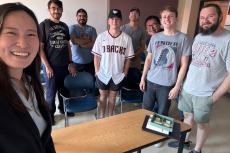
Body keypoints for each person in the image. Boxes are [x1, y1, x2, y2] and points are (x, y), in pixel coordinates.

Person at [169, 4, 230, 153]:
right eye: (202, 18)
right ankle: (186, 141)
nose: (205, 20)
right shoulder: (199, 36)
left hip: (206, 94)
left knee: (201, 123)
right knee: (187, 118)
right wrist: (182, 84)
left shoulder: (227, 39)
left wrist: (214, 97)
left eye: (210, 16)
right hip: (188, 88)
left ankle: (198, 149)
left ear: (220, 17)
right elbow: (195, 64)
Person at [0, 2, 56, 152]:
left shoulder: (30, 82)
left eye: (31, 34)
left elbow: (44, 138)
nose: (23, 44)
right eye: (11, 33)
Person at [140, 6, 191, 119]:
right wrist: (143, 78)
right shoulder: (155, 37)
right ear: (161, 19)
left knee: (162, 114)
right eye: (164, 17)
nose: (167, 19)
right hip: (150, 80)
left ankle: (158, 135)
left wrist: (177, 86)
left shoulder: (183, 38)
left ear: (176, 18)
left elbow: (184, 65)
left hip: (167, 85)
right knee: (144, 111)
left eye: (170, 16)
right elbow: (148, 59)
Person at [92, 9, 134, 118]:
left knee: (113, 96)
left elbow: (128, 58)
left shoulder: (127, 38)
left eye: (117, 19)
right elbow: (96, 56)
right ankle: (101, 116)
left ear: (121, 21)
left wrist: (125, 73)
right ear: (108, 21)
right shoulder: (101, 37)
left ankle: (110, 116)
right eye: (112, 19)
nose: (114, 21)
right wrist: (97, 71)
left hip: (117, 74)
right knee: (102, 96)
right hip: (103, 73)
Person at [39, 0, 76, 124]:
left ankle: (64, 109)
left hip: (64, 65)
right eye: (53, 8)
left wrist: (70, 62)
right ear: (49, 9)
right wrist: (47, 66)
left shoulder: (65, 26)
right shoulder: (43, 25)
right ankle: (49, 116)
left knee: (64, 91)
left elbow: (68, 46)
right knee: (50, 94)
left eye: (59, 8)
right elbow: (40, 48)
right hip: (51, 66)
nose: (56, 11)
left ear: (62, 10)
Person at [121, 7, 145, 89]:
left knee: (133, 78)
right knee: (122, 77)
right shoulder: (122, 28)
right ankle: (120, 94)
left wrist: (134, 55)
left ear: (139, 16)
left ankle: (132, 95)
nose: (133, 15)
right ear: (129, 16)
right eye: (131, 13)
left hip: (135, 59)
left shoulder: (141, 31)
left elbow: (142, 47)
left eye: (136, 13)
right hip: (123, 59)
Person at [69, 8, 97, 75]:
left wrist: (81, 43)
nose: (82, 18)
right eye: (80, 16)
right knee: (76, 84)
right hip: (76, 63)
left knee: (90, 83)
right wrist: (88, 40)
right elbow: (73, 41)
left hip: (90, 63)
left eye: (84, 16)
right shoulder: (72, 28)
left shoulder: (92, 29)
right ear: (76, 17)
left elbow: (94, 44)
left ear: (87, 17)